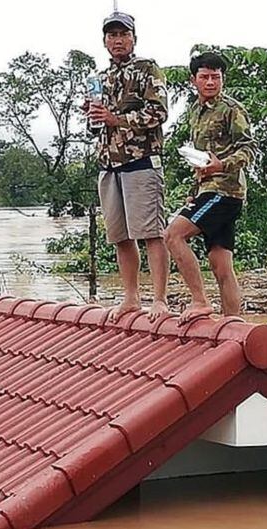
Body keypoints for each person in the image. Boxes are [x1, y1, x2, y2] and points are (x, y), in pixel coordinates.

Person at [87, 12, 170, 321]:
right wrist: (93, 114)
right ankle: (131, 298)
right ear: (104, 41)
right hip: (108, 164)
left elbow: (159, 113)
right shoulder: (100, 78)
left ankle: (159, 299)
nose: (118, 40)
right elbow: (95, 127)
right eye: (112, 35)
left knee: (152, 233)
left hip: (141, 162)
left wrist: (116, 118)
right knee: (120, 236)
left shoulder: (147, 69)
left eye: (123, 34)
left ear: (134, 38)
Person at [163, 51, 256, 323]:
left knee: (173, 235)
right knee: (220, 264)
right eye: (205, 77)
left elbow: (249, 148)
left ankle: (200, 301)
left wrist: (222, 165)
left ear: (223, 79)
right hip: (207, 190)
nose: (211, 82)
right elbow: (201, 158)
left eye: (216, 77)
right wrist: (194, 191)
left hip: (224, 191)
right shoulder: (195, 112)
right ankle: (232, 324)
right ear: (194, 80)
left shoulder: (231, 109)